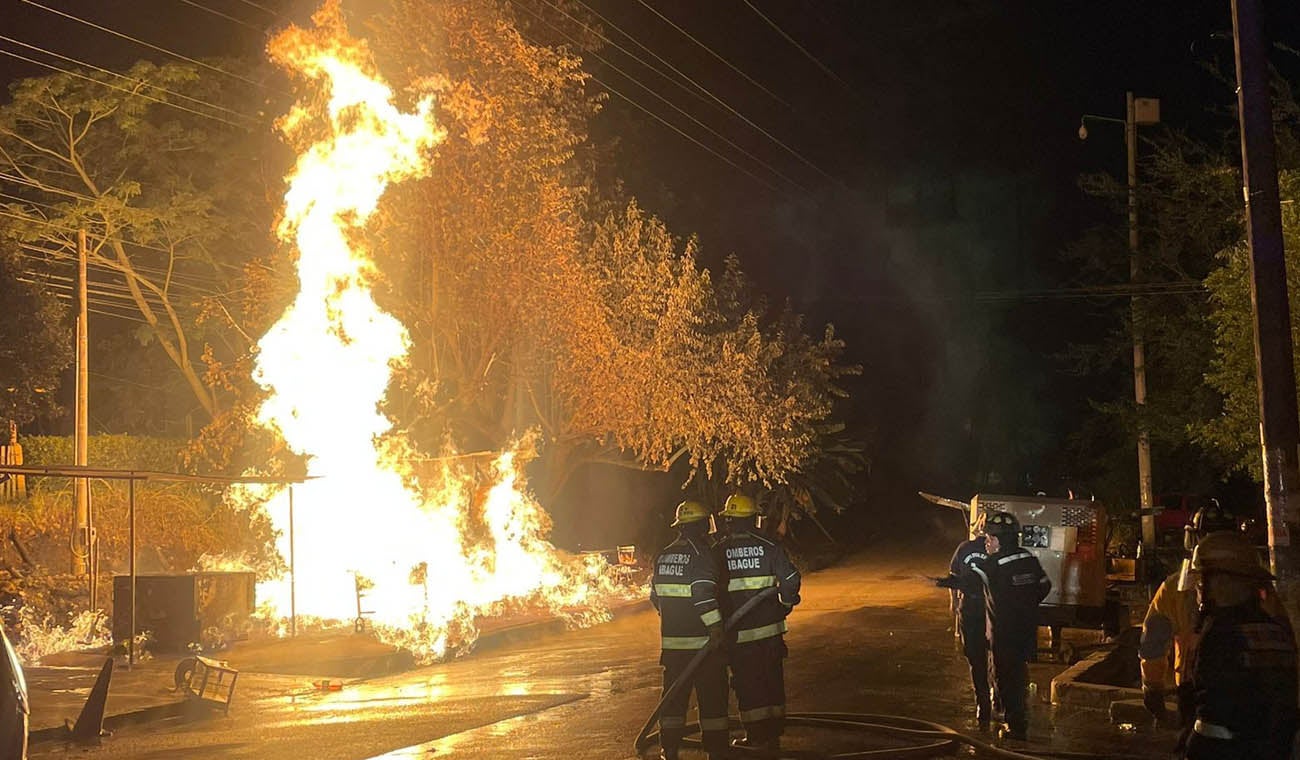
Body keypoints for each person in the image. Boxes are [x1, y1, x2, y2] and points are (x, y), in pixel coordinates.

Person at [1178, 530, 1297, 760]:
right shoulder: (1277, 631)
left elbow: (1213, 707)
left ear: (1222, 581)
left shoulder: (1219, 633)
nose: (1198, 589)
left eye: (1202, 580)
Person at [715, 493, 801, 752]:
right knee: (772, 681)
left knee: (748, 686)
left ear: (729, 520)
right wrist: (784, 606)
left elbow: (711, 590)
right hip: (771, 633)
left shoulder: (719, 551)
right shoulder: (769, 545)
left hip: (739, 636)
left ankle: (755, 738)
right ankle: (773, 736)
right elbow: (791, 580)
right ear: (754, 518)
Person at [1139, 502, 1237, 725]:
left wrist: (1152, 687)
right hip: (1253, 699)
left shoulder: (1175, 588)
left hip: (1195, 696)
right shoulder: (1259, 587)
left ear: (1192, 539)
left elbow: (1153, 641)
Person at [649, 500, 729, 760]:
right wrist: (716, 627)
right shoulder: (701, 554)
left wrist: (672, 616)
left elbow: (655, 597)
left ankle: (669, 749)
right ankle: (716, 751)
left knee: (673, 699)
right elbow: (703, 595)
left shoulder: (663, 555)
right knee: (713, 697)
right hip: (702, 646)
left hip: (673, 647)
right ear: (702, 524)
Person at [979, 511, 1051, 742]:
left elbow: (970, 586)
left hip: (1004, 633)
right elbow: (1045, 585)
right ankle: (1016, 718)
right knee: (1018, 675)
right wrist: (1027, 603)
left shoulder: (993, 564)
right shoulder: (1028, 558)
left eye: (988, 538)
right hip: (1026, 630)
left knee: (1005, 677)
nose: (986, 543)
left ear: (998, 540)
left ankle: (1015, 726)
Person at [935, 516, 993, 731]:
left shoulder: (968, 548)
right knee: (983, 656)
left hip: (976, 610)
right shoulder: (970, 548)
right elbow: (953, 576)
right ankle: (987, 700)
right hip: (978, 610)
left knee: (977, 658)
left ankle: (984, 702)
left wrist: (954, 604)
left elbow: (952, 577)